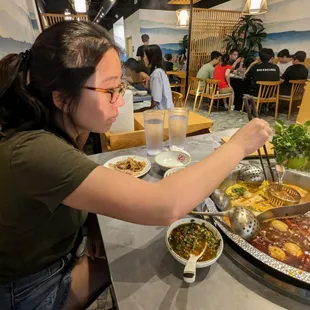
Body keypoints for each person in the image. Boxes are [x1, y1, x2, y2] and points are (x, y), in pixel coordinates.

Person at [0, 20, 271, 310]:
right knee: (144, 266)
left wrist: (91, 226)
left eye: (121, 87)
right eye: (110, 91)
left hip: (58, 261)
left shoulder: (62, 127)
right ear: (63, 99)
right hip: (33, 291)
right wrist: (238, 145)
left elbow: (71, 188)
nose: (120, 100)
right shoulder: (34, 150)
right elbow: (165, 204)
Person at [136, 44, 174, 111]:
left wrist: (141, 109)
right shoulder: (159, 71)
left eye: (144, 56)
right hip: (164, 108)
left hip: (162, 111)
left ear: (151, 57)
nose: (143, 58)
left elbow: (156, 100)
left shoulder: (156, 73)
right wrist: (148, 86)